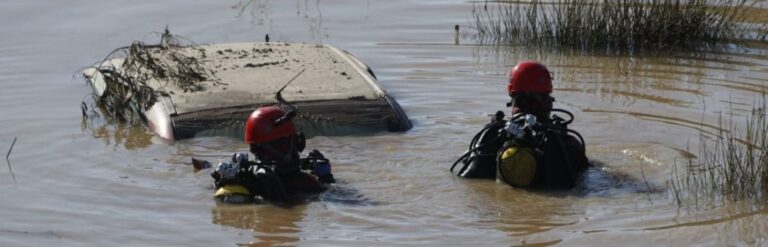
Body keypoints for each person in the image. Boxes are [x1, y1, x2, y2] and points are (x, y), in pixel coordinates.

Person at [451, 61, 589, 189]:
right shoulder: (566, 143)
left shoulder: (492, 136)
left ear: (512, 96)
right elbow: (585, 177)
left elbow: (468, 178)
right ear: (547, 100)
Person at [211, 106, 336, 204]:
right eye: (290, 137)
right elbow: (338, 198)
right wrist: (326, 178)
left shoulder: (250, 176)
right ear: (285, 142)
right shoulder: (302, 182)